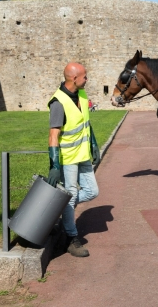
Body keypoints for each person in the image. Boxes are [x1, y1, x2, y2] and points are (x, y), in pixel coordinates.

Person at [48, 62, 101, 257]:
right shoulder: (58, 102)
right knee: (69, 193)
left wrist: (94, 144)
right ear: (74, 78)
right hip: (68, 157)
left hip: (84, 154)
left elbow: (86, 122)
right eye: (85, 76)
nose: (87, 79)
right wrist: (54, 165)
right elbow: (53, 135)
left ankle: (60, 209)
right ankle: (71, 238)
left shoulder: (82, 95)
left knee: (92, 191)